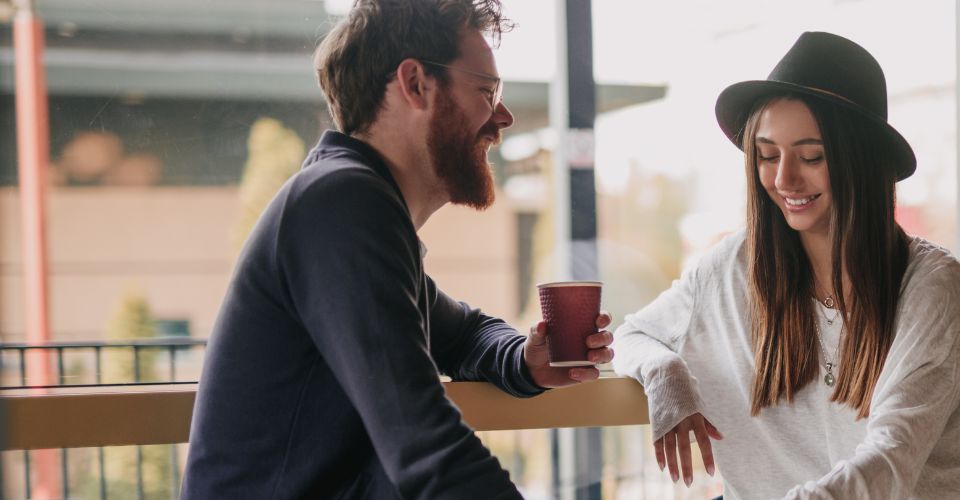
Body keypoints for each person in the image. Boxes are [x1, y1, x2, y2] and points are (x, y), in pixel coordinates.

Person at [180, 1, 615, 498]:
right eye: (486, 91)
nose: (504, 117)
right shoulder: (341, 202)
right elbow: (426, 449)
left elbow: (462, 332)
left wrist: (523, 358)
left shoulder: (351, 202)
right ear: (415, 84)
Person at [612, 31, 960, 499]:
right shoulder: (727, 269)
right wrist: (664, 374)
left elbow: (890, 461)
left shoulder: (931, 287)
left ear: (861, 159)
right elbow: (633, 336)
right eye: (767, 155)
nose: (783, 178)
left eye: (812, 156)